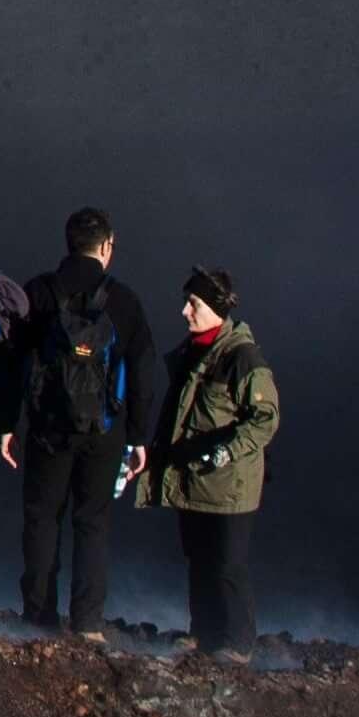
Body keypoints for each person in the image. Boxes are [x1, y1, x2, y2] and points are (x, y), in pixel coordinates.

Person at [0, 206, 154, 637]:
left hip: (48, 427)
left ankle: (39, 616)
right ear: (106, 247)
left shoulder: (40, 292)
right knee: (92, 522)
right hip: (104, 431)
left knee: (43, 518)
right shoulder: (124, 301)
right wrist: (138, 437)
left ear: (68, 244)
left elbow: (11, 361)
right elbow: (143, 372)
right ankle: (87, 623)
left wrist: (6, 423)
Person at [148, 267, 278, 658]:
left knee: (227, 564)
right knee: (200, 560)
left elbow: (265, 418)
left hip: (230, 485)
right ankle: (204, 632)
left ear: (217, 308)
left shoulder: (242, 358)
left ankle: (236, 643)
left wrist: (227, 451)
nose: (185, 311)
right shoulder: (195, 354)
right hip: (197, 480)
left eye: (194, 304)